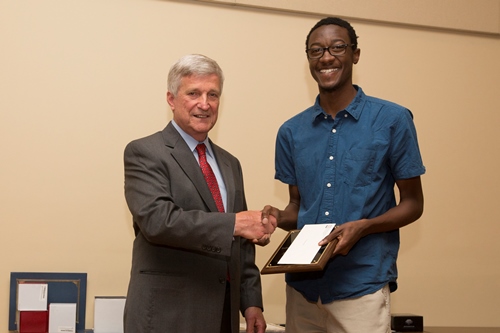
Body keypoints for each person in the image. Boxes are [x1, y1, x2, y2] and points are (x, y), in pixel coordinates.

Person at [263, 17, 426, 333]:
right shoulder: (290, 131)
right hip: (302, 289)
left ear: (355, 54)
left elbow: (413, 203)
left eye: (338, 47)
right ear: (309, 59)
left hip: (362, 287)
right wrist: (275, 217)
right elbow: (297, 208)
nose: (326, 57)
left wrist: (365, 227)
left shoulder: (392, 120)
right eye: (316, 50)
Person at [123, 54, 275, 333]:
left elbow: (241, 244)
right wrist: (237, 223)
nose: (204, 104)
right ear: (171, 99)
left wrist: (252, 302)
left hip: (224, 315)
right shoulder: (144, 152)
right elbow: (158, 222)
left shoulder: (230, 163)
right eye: (193, 93)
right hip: (168, 317)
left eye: (213, 94)